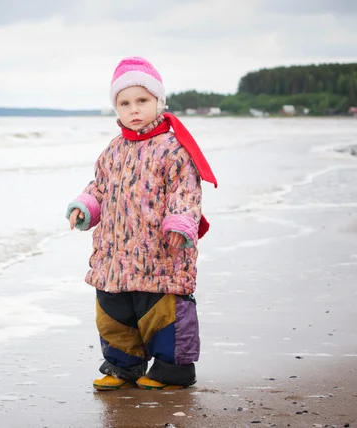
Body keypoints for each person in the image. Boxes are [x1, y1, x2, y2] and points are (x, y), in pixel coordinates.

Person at [65, 57, 218, 391]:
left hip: (160, 253)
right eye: (124, 103)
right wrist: (85, 206)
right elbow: (100, 187)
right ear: (115, 108)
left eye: (142, 100)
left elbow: (186, 191)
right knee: (114, 312)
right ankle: (122, 366)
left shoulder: (173, 149)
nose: (133, 109)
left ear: (159, 102)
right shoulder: (112, 150)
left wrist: (180, 224)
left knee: (161, 312)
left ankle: (172, 369)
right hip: (115, 254)